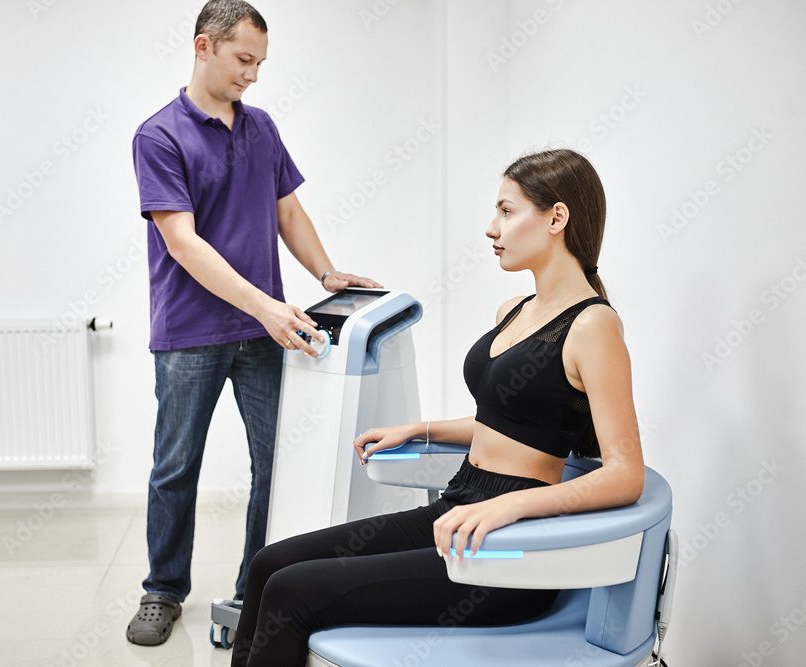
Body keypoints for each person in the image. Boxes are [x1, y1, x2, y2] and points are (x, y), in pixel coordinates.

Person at [229, 148, 646, 666]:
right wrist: (420, 429)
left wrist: (507, 507)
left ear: (556, 217)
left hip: (509, 554)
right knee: (269, 564)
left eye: (507, 211)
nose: (492, 228)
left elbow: (625, 474)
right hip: (459, 506)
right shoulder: (514, 310)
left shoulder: (593, 326)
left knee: (294, 593)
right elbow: (507, 425)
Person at [126, 0, 382, 648]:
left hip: (265, 332)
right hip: (190, 332)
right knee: (175, 464)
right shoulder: (158, 136)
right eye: (245, 59)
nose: (254, 75)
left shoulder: (261, 128)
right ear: (203, 47)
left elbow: (287, 211)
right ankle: (162, 589)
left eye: (261, 63)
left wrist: (325, 274)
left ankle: (256, 587)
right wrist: (264, 303)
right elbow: (183, 242)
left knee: (280, 461)